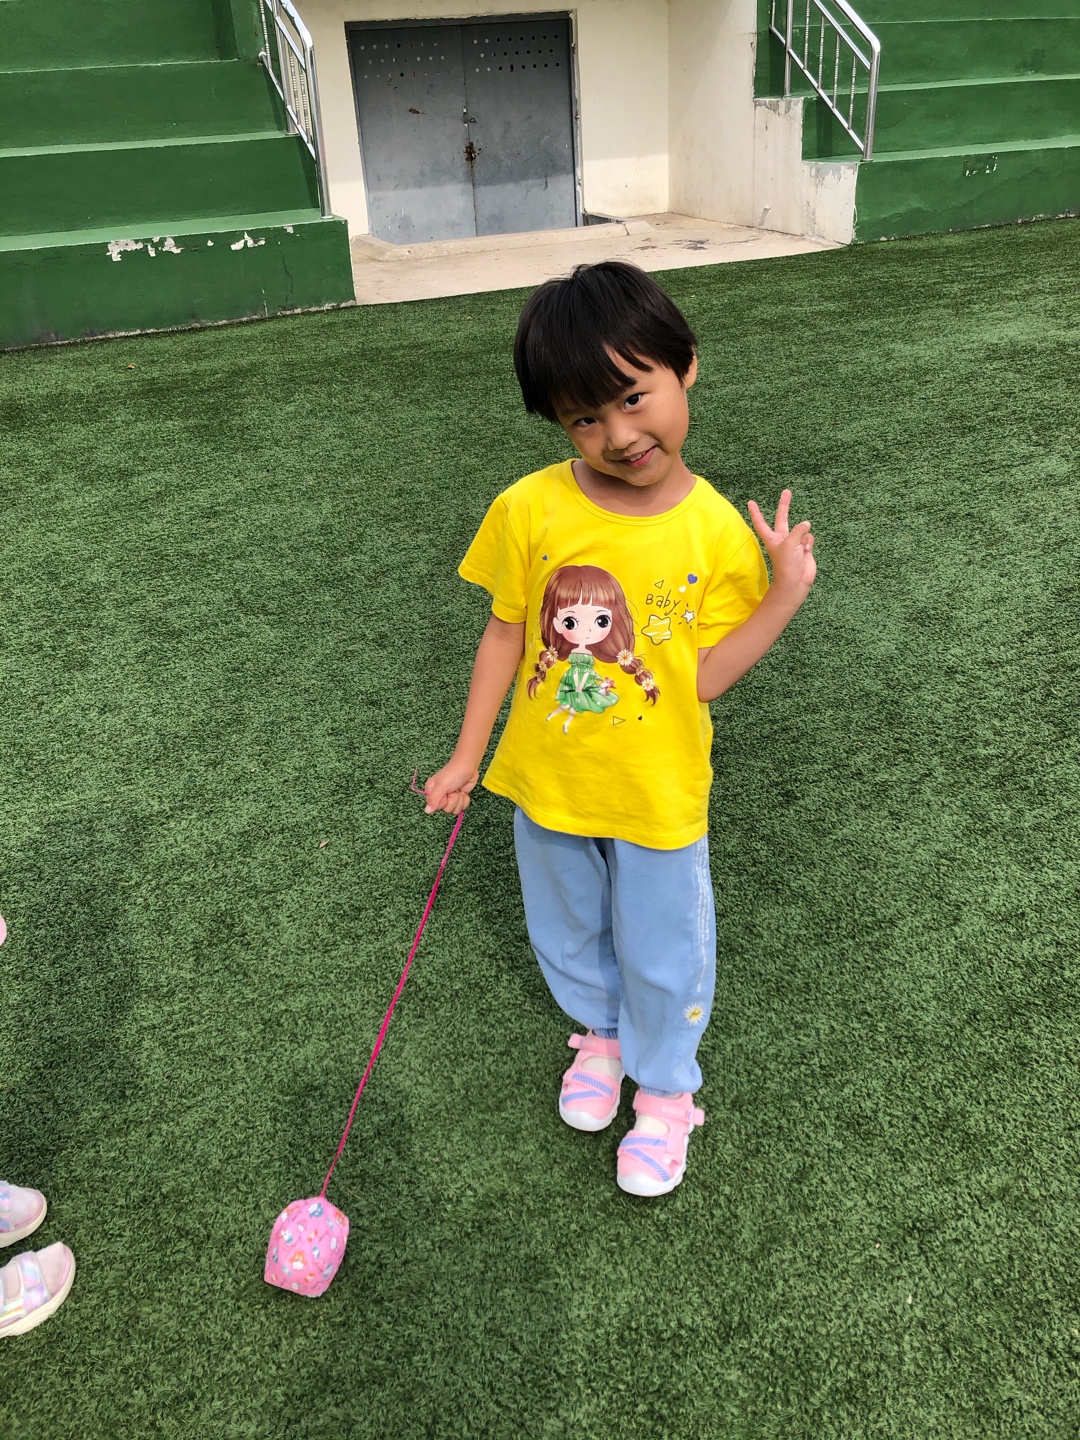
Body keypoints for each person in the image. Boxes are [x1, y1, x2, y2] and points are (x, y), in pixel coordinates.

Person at [421, 261, 816, 1196]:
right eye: (583, 419)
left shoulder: (716, 531)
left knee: (662, 945)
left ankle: (668, 1090)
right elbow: (506, 633)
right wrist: (468, 756)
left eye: (634, 397)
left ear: (686, 366)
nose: (619, 435)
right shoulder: (528, 508)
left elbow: (706, 676)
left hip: (656, 790)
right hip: (546, 780)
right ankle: (600, 1034)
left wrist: (784, 594)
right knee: (565, 927)